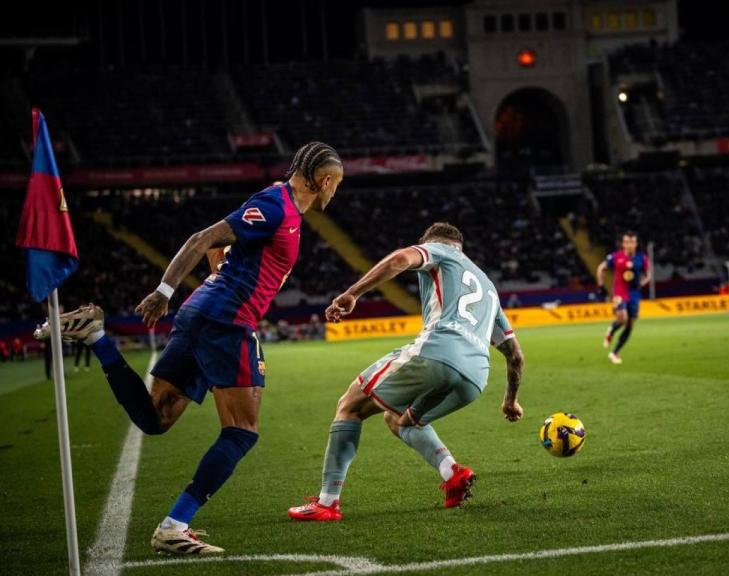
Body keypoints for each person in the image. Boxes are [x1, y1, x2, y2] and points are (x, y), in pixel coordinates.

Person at [34, 142, 343, 555]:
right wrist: (164, 290)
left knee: (156, 418)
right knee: (242, 431)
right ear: (324, 180)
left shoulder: (277, 204)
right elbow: (204, 238)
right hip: (226, 322)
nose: (335, 191)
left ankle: (96, 337)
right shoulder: (276, 205)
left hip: (201, 313)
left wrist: (219, 280)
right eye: (336, 184)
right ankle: (174, 525)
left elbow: (219, 249)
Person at [287, 222, 525, 521]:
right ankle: (452, 473)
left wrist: (352, 293)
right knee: (401, 420)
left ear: (430, 242)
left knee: (349, 406)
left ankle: (327, 502)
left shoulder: (439, 251)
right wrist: (510, 400)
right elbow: (515, 356)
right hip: (475, 377)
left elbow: (400, 259)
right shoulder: (488, 288)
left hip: (438, 353)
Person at [596, 231, 650, 364]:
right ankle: (611, 330)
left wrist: (643, 282)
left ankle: (614, 353)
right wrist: (601, 286)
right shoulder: (616, 257)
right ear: (623, 244)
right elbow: (601, 268)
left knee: (630, 325)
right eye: (626, 242)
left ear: (636, 244)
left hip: (634, 294)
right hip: (619, 292)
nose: (629, 245)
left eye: (632, 242)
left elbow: (648, 274)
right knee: (623, 317)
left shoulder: (642, 258)